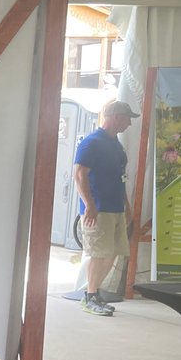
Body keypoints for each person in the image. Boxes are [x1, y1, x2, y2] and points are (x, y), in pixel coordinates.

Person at [73, 99, 137, 317]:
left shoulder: (117, 146)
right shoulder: (92, 142)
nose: (129, 124)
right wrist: (89, 204)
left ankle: (95, 293)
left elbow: (121, 178)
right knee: (99, 253)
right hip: (98, 210)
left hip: (116, 209)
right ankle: (90, 297)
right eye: (128, 119)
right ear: (116, 116)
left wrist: (126, 206)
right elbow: (79, 174)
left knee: (113, 253)